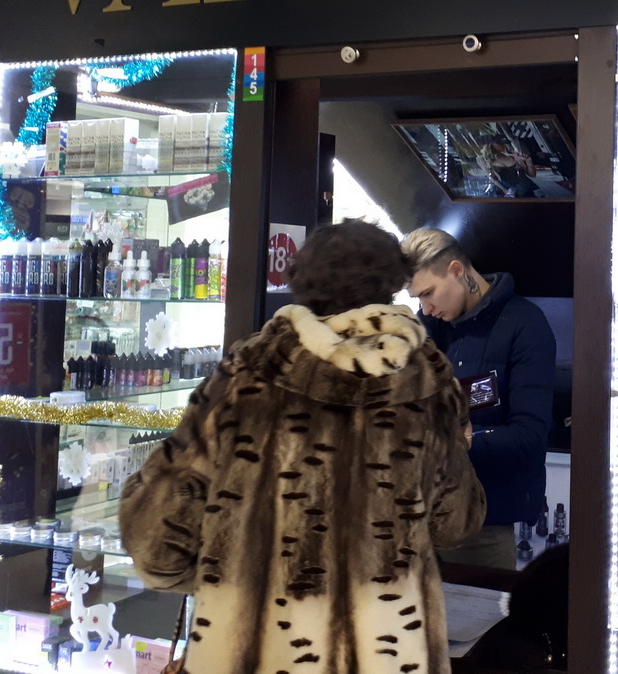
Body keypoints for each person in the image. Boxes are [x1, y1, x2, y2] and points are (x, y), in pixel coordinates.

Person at [120, 220, 485, 674]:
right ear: (392, 285)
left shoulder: (245, 377)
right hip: (386, 652)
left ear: (301, 282)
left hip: (250, 650)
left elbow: (156, 533)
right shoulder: (429, 384)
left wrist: (225, 573)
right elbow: (457, 523)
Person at [401, 227, 556, 570]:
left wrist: (461, 440)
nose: (426, 307)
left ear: (457, 270)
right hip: (415, 516)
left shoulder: (525, 325)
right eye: (417, 299)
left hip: (480, 522)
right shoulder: (427, 327)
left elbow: (530, 435)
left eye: (428, 293)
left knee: (480, 605)